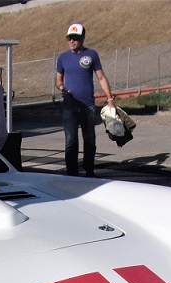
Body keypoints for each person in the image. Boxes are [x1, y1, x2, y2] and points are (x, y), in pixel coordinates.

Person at [55, 23, 115, 177]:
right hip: (69, 106)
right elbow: (58, 79)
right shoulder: (63, 58)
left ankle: (89, 170)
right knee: (71, 141)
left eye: (75, 38)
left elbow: (101, 77)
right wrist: (61, 87)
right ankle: (72, 173)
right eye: (69, 38)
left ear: (82, 38)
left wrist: (110, 99)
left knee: (89, 139)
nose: (71, 41)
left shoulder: (91, 55)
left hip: (87, 105)